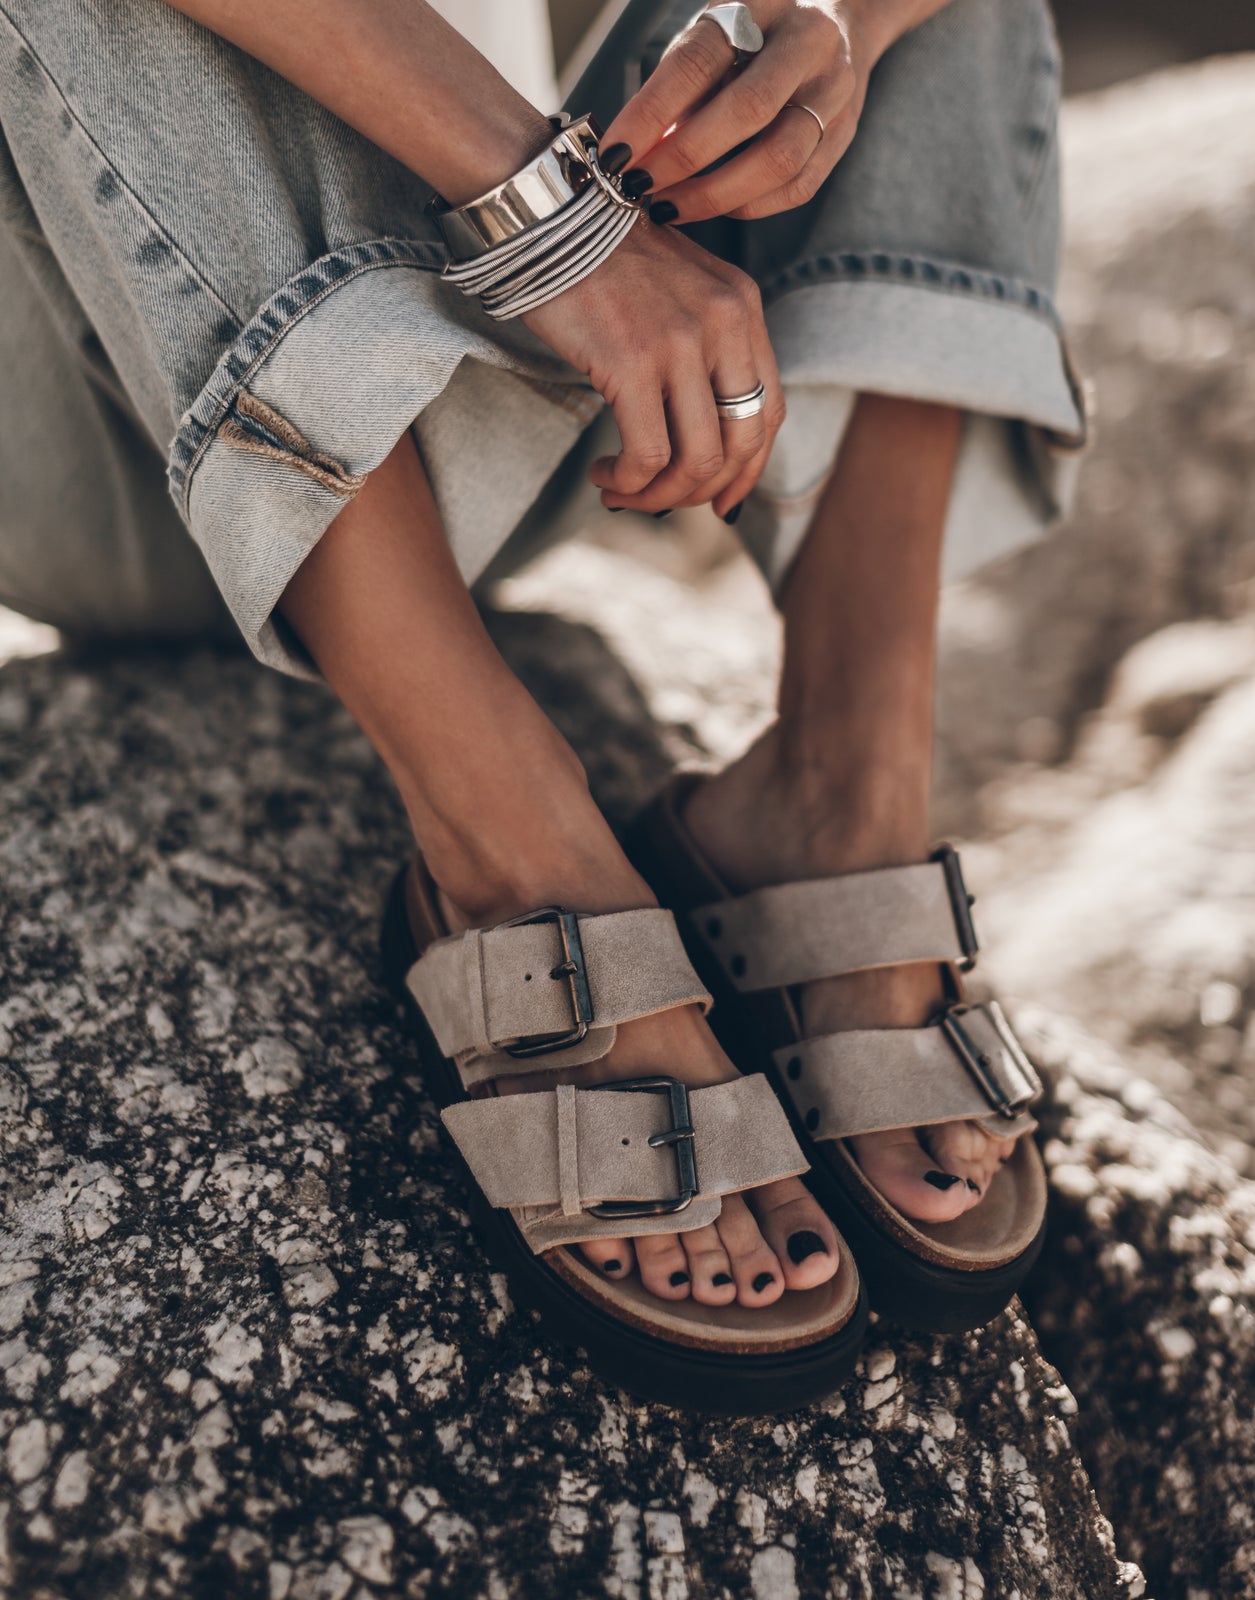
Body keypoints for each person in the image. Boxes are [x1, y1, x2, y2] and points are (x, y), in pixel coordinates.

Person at [0, 0, 1085, 1410]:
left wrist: (830, 37)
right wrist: (561, 225)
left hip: (511, 381)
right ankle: (513, 842)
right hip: (118, 429)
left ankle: (841, 786)